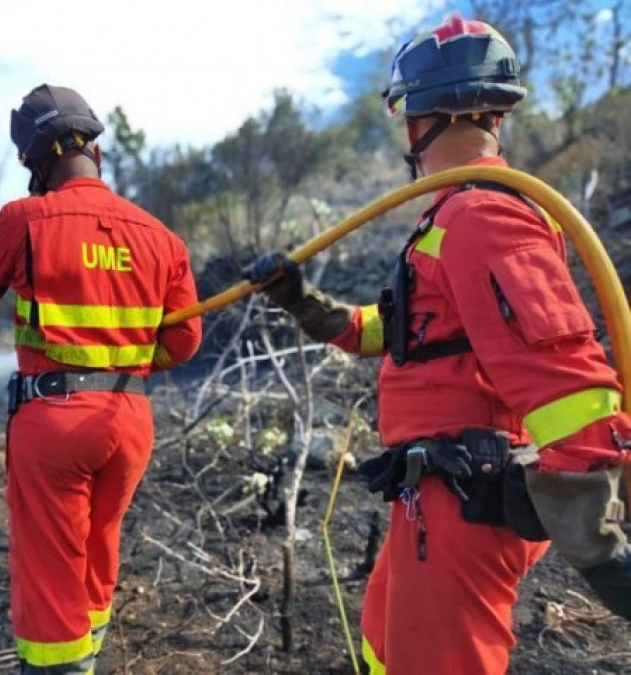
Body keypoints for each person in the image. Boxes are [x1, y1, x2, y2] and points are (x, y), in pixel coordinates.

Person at [244, 15, 630, 674]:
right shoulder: (448, 219)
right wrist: (303, 302)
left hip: (462, 501)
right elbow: (401, 335)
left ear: (418, 117)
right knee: (385, 642)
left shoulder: (484, 215)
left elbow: (568, 379)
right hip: (432, 496)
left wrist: (598, 545)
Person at [0, 84, 202, 674]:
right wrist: (124, 362)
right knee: (97, 551)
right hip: (129, 421)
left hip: (55, 420)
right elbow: (185, 341)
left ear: (34, 164)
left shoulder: (26, 218)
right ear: (96, 151)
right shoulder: (161, 237)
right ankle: (89, 655)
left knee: (49, 573)